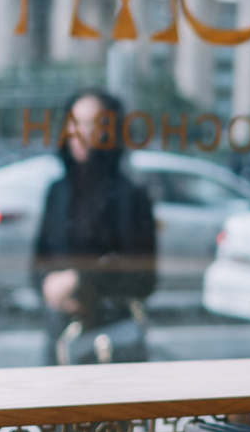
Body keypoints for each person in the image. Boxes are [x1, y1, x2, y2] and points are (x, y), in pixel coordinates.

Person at [33, 88, 157, 363]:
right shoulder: (58, 191)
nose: (79, 132)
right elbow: (38, 261)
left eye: (91, 123)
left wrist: (80, 279)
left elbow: (143, 278)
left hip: (112, 342)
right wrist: (48, 285)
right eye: (73, 122)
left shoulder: (130, 196)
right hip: (61, 337)